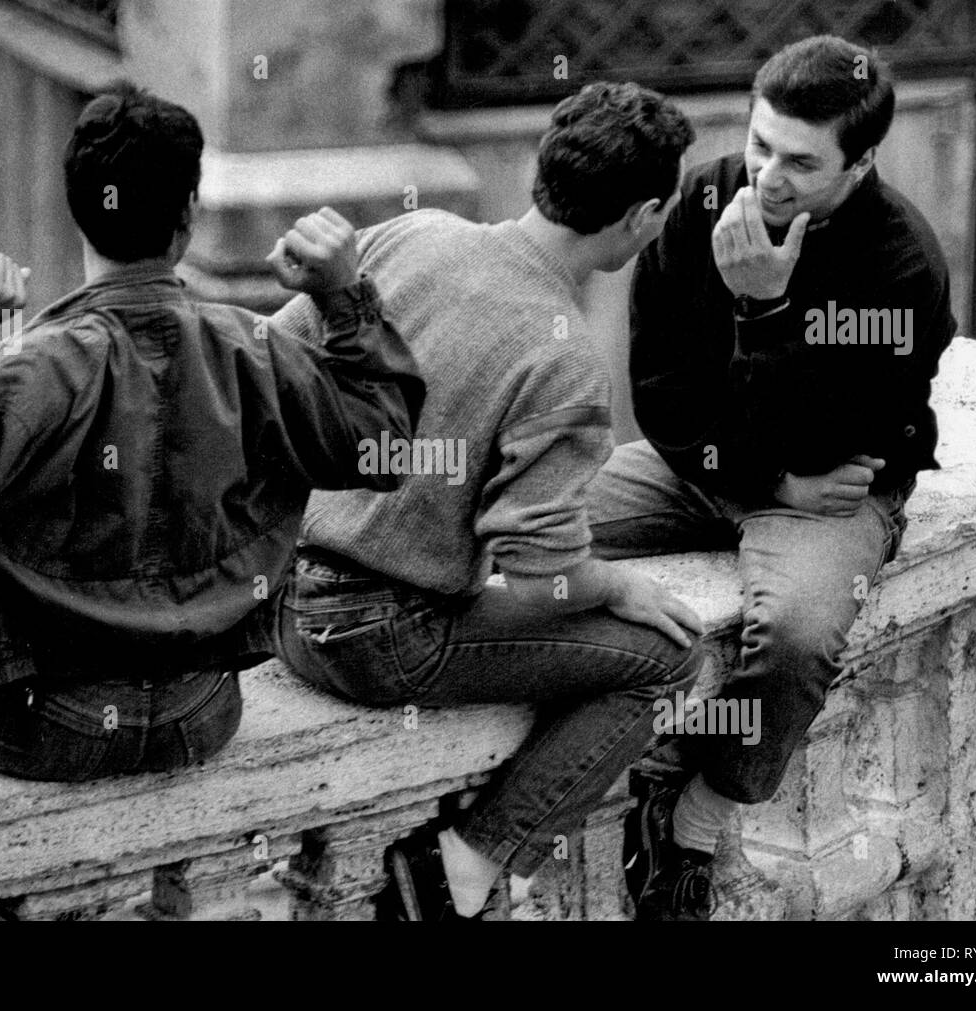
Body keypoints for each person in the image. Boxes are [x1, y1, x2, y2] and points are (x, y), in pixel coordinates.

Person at [0, 82, 425, 781]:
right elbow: (386, 444)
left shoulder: (38, 367)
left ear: (77, 209)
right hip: (202, 713)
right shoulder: (252, 348)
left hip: (48, 724)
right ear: (188, 214)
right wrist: (342, 294)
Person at [269, 81, 705, 920]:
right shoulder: (565, 355)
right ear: (644, 216)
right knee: (672, 662)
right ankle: (463, 867)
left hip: (284, 609)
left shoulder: (409, 233)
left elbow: (273, 374)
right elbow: (544, 581)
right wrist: (618, 585)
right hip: (379, 644)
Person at [588, 35, 959, 919]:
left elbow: (842, 437)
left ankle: (696, 819)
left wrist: (765, 308)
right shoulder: (704, 199)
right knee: (520, 517)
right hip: (713, 469)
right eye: (760, 144)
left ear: (862, 160)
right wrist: (766, 478)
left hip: (835, 488)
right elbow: (660, 398)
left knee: (794, 634)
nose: (767, 177)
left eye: (800, 160)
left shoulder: (903, 265)